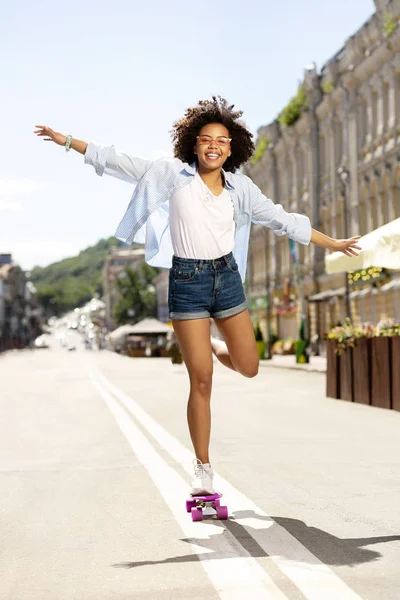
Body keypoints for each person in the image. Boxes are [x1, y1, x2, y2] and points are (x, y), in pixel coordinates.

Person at [34, 96, 361, 496]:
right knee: (201, 380)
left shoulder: (242, 189)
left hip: (227, 278)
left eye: (222, 141)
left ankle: (205, 340)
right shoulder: (170, 175)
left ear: (231, 147)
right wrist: (67, 140)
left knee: (249, 366)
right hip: (187, 281)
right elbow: (117, 161)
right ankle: (203, 469)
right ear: (193, 143)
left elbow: (283, 220)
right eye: (206, 138)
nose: (213, 146)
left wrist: (333, 243)